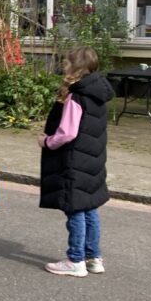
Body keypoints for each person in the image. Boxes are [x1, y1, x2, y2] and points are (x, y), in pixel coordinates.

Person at [38, 46, 115, 277]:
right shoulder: (98, 91)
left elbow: (67, 132)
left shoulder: (76, 95)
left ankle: (76, 260)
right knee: (89, 206)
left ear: (77, 67)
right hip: (92, 158)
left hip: (75, 159)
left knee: (75, 208)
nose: (64, 65)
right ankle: (94, 257)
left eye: (67, 62)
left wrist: (48, 141)